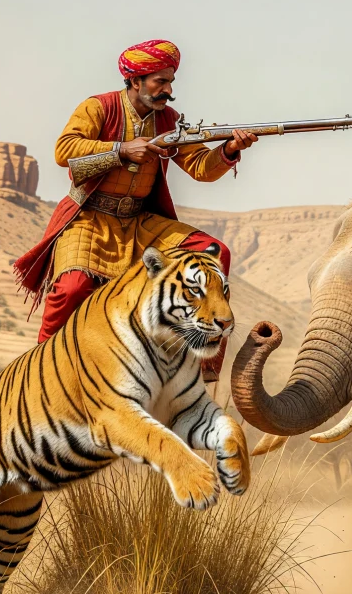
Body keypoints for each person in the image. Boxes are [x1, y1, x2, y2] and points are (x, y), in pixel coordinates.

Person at [13, 39, 257, 378]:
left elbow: (201, 168)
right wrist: (121, 150)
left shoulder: (169, 119)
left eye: (171, 81)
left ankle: (202, 366)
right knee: (71, 290)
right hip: (89, 217)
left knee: (214, 253)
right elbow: (64, 151)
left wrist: (229, 149)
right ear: (134, 81)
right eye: (161, 81)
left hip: (140, 220)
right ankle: (35, 373)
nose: (168, 90)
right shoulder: (98, 107)